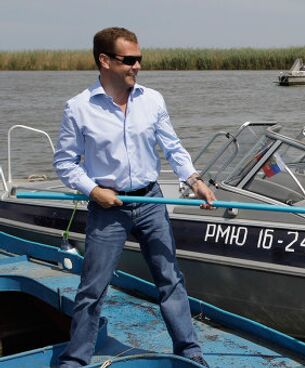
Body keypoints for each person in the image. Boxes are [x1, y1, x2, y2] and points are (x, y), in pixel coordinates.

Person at [53, 27, 215, 368]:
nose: (137, 66)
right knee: (92, 290)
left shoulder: (152, 100)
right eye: (129, 60)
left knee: (170, 280)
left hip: (151, 202)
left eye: (139, 58)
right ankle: (75, 361)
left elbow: (172, 147)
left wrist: (195, 179)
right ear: (105, 60)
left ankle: (189, 352)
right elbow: (65, 163)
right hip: (107, 208)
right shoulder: (78, 108)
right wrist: (95, 191)